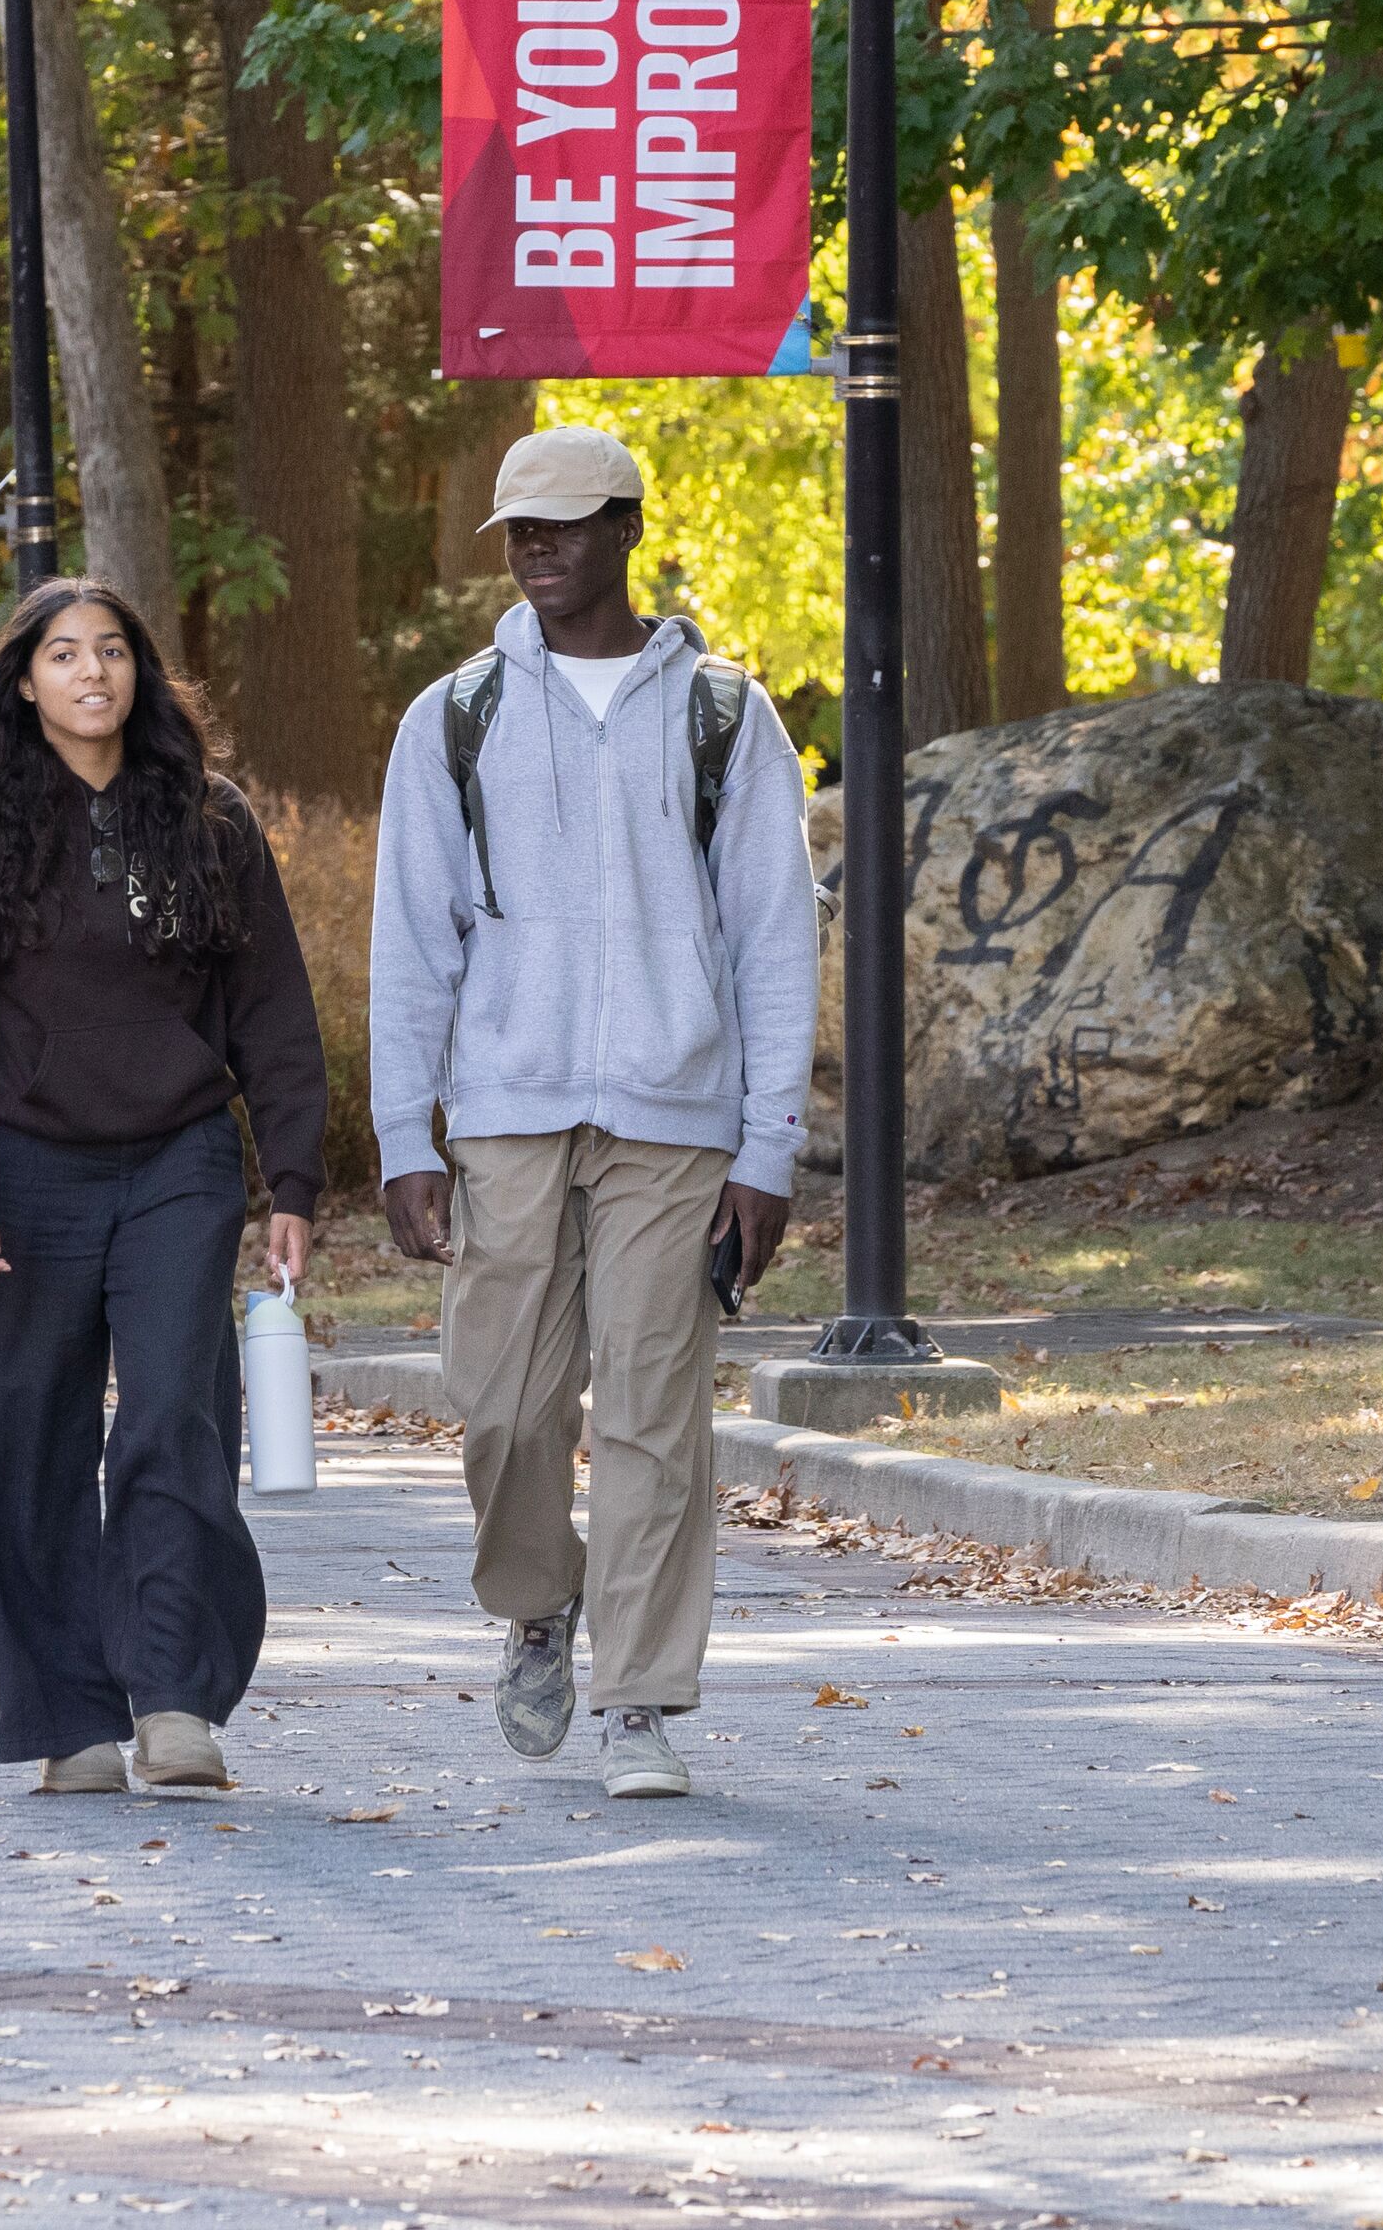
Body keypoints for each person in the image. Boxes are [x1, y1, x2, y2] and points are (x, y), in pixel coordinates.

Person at [368, 425, 816, 1802]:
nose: (538, 549)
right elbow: (412, 936)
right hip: (504, 1108)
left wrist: (771, 1146)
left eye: (565, 524)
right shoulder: (457, 716)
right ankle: (538, 1607)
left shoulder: (725, 714)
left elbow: (776, 941)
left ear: (628, 527)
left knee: (651, 1408)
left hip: (678, 1116)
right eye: (520, 530)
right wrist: (401, 1132)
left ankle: (639, 1697)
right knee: (501, 1405)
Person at [0, 579, 327, 1798]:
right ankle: (68, 1712)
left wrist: (291, 1171)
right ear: (22, 679)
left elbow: (275, 1010)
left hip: (178, 1158)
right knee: (26, 1440)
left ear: (141, 673)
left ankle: (175, 1694)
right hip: (21, 1168)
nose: (93, 673)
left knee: (177, 1414)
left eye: (114, 651)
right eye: (65, 654)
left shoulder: (210, 818)